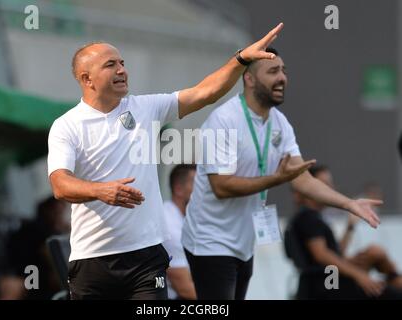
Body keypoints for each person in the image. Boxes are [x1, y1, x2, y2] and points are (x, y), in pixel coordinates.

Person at [47, 23, 285, 300]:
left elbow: (204, 92)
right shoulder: (67, 125)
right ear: (87, 79)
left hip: (146, 259)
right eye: (111, 65)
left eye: (122, 63)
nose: (122, 70)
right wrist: (101, 191)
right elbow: (60, 185)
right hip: (93, 260)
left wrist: (241, 58)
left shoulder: (146, 108)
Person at [181, 47, 382, 300]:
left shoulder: (280, 122)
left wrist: (348, 204)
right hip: (210, 241)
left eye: (284, 71)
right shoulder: (224, 120)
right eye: (273, 71)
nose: (282, 78)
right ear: (249, 78)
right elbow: (221, 186)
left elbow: (302, 178)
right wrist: (276, 179)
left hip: (243, 243)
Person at [289, 165, 402, 299]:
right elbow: (322, 256)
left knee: (375, 252)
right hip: (327, 283)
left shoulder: (313, 217)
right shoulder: (307, 218)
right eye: (324, 184)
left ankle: (396, 280)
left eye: (330, 184)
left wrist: (350, 227)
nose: (330, 189)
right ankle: (396, 282)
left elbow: (336, 253)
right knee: (391, 294)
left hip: (327, 277)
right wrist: (359, 275)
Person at [162, 164, 197, 300]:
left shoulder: (184, 219)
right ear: (178, 189)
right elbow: (185, 290)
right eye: (196, 184)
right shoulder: (170, 227)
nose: (202, 191)